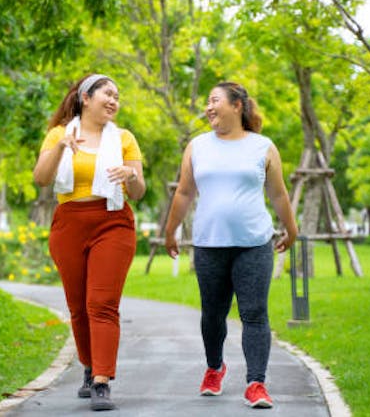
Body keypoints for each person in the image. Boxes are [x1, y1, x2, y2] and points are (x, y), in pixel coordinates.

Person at [163, 81, 298, 409]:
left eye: (215, 101)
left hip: (253, 242)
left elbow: (278, 194)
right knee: (213, 314)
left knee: (254, 312)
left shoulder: (263, 146)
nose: (208, 108)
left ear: (237, 105)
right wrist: (170, 231)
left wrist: (291, 229)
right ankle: (215, 367)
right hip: (210, 243)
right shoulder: (197, 146)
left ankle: (256, 383)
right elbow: (183, 192)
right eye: (207, 102)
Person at [33, 74, 146, 411]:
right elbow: (41, 179)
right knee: (78, 306)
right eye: (107, 94)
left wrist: (131, 176)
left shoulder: (124, 138)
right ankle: (88, 365)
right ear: (86, 97)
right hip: (69, 224)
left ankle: (101, 380)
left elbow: (139, 193)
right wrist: (60, 149)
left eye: (117, 96)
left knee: (102, 304)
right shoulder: (59, 134)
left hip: (113, 222)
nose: (114, 100)